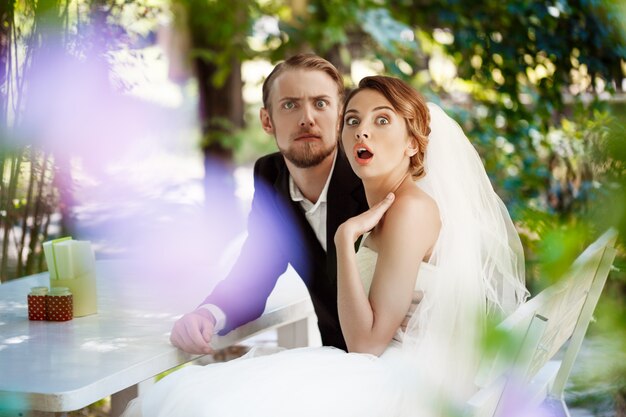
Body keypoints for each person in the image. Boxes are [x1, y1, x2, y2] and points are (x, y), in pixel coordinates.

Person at [125, 76, 528, 417]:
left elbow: (366, 344)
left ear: (412, 144)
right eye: (353, 121)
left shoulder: (410, 210)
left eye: (382, 120)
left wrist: (342, 239)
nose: (362, 131)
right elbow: (260, 271)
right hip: (379, 363)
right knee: (203, 394)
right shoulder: (384, 205)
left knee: (213, 401)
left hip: (404, 382)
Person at [170, 54, 368, 354]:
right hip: (337, 359)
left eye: (320, 103)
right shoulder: (270, 177)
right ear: (266, 121)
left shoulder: (369, 175)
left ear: (340, 116)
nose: (307, 118)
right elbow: (254, 274)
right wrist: (206, 314)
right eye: (290, 105)